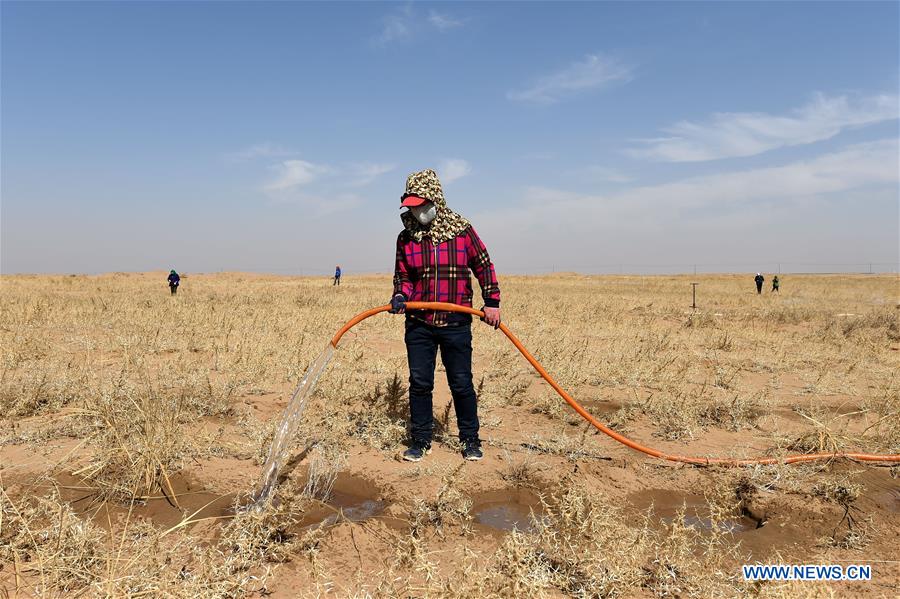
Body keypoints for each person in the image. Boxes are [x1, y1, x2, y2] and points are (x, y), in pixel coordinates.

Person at [389, 169, 501, 463]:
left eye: (420, 204)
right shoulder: (406, 238)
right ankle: (421, 440)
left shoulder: (462, 231)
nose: (416, 211)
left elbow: (484, 265)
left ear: (435, 199)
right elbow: (403, 276)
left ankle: (470, 440)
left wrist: (492, 301)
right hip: (419, 324)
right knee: (420, 383)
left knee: (462, 383)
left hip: (455, 323)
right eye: (412, 206)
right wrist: (401, 294)